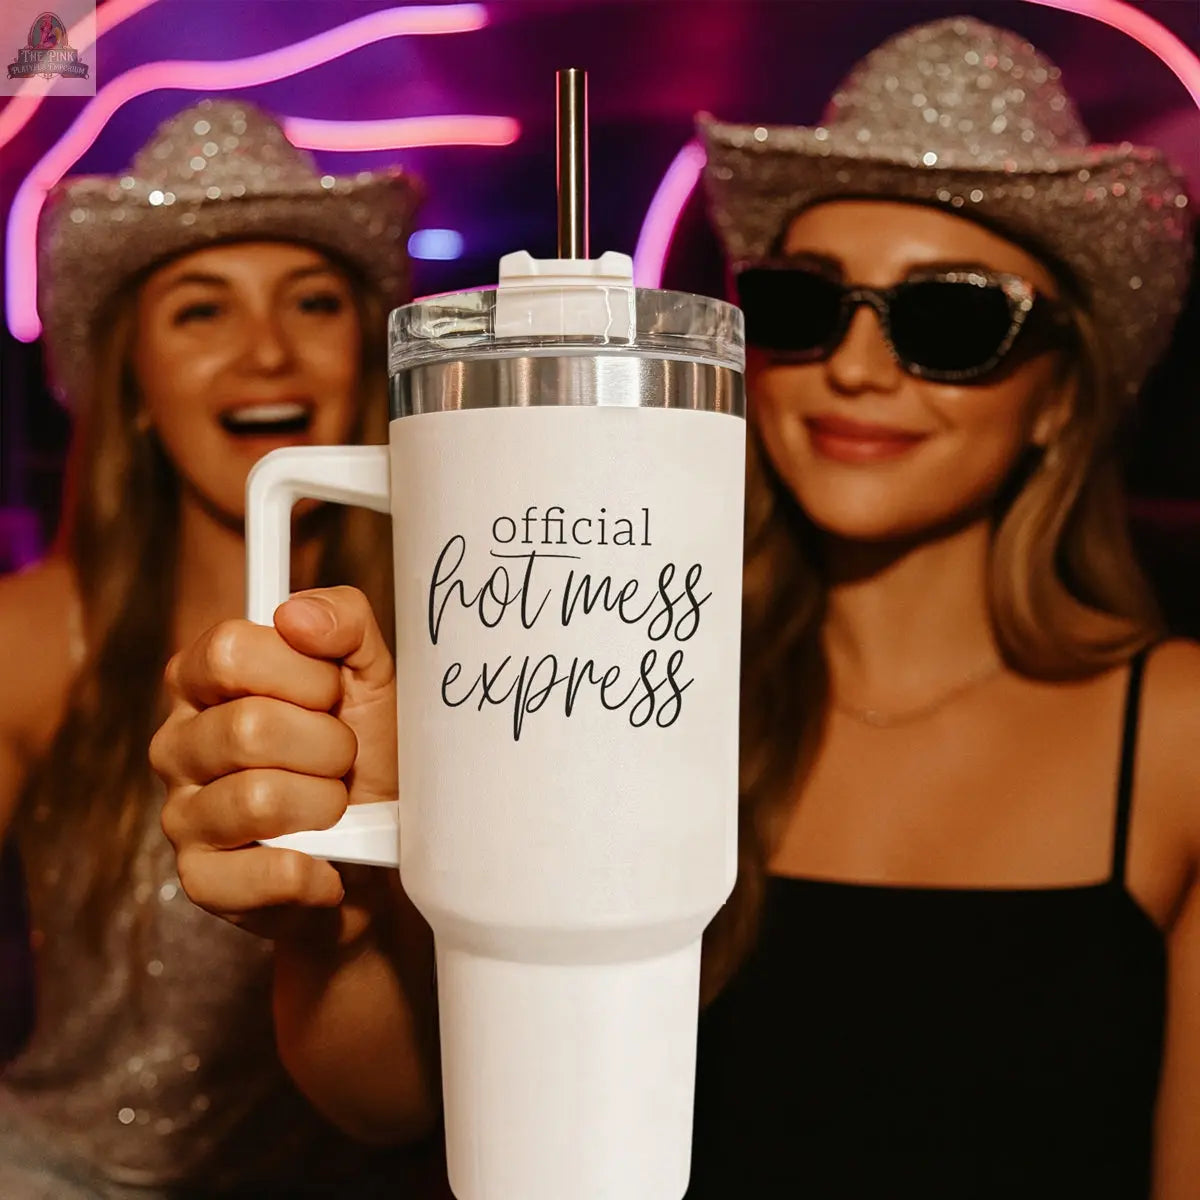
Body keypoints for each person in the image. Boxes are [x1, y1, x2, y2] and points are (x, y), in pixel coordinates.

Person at [148, 17, 1200, 1200]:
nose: (857, 366)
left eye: (950, 320)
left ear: (1061, 392)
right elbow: (389, 1103)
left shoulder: (1174, 737)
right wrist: (340, 914)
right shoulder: (617, 679)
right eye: (805, 307)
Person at [0, 97, 433, 1197]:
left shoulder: (456, 651)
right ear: (133, 386)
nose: (269, 351)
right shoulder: (40, 639)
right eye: (202, 311)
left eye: (315, 302)